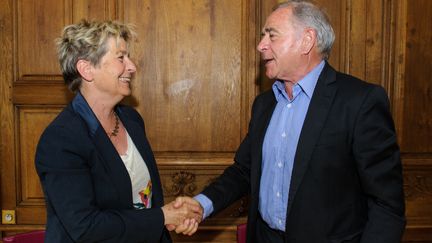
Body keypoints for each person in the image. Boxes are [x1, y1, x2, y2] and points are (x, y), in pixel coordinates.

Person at [176, 0, 406, 242]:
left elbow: (387, 204)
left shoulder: (360, 102)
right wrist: (202, 204)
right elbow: (245, 171)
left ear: (307, 40)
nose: (260, 45)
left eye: (271, 36)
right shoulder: (264, 104)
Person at [35, 19, 201, 243]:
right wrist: (162, 216)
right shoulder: (61, 140)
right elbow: (86, 227)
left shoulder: (132, 120)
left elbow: (144, 202)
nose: (132, 66)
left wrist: (171, 217)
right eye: (121, 58)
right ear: (86, 69)